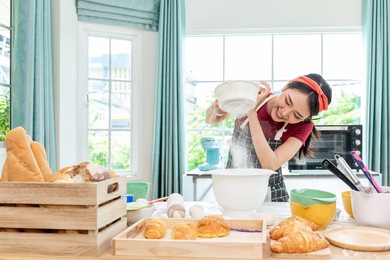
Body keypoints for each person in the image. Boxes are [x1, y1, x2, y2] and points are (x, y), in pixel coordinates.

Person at [205, 73, 332, 202]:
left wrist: (252, 113)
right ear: (286, 86)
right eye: (288, 101)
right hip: (233, 188)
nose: (285, 112)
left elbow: (270, 164)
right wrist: (216, 109)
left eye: (297, 115)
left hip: (269, 195)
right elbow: (212, 119)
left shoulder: (303, 127)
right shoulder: (254, 95)